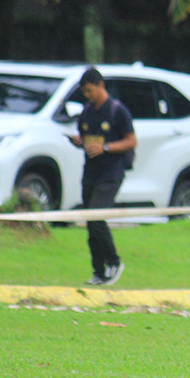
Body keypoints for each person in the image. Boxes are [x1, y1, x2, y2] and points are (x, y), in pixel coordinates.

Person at [68, 68, 137, 286]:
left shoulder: (117, 111)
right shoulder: (87, 112)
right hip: (90, 172)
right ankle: (98, 271)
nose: (87, 95)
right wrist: (80, 141)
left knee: (97, 217)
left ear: (100, 86)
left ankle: (114, 262)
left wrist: (105, 147)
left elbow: (131, 141)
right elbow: (87, 138)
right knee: (90, 221)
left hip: (111, 172)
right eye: (84, 92)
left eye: (90, 90)